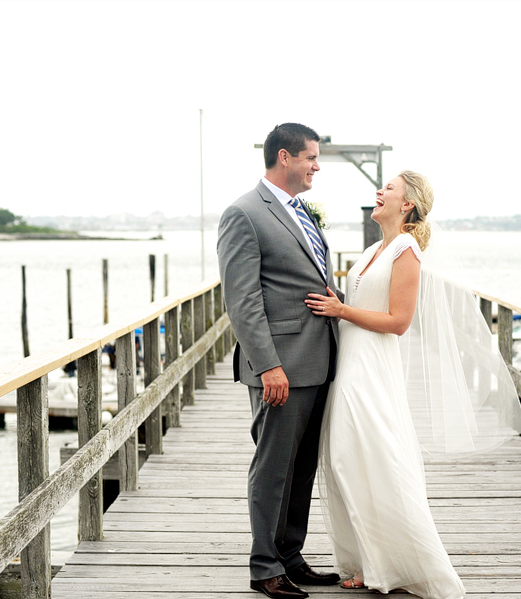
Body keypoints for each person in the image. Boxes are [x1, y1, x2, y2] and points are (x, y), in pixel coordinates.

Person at [304, 171, 521, 598]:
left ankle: (409, 563)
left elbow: (399, 322)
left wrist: (341, 310)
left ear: (406, 204)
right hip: (349, 360)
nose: (379, 192)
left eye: (388, 189)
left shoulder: (407, 249)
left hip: (371, 365)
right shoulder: (374, 248)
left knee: (368, 457)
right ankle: (368, 560)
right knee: (344, 460)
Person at [217, 123, 344, 599]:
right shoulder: (245, 213)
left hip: (318, 360)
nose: (317, 166)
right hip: (281, 367)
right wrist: (268, 364)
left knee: (302, 467)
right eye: (311, 157)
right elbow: (242, 299)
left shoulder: (300, 211)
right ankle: (265, 567)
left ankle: (291, 555)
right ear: (285, 157)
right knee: (273, 468)